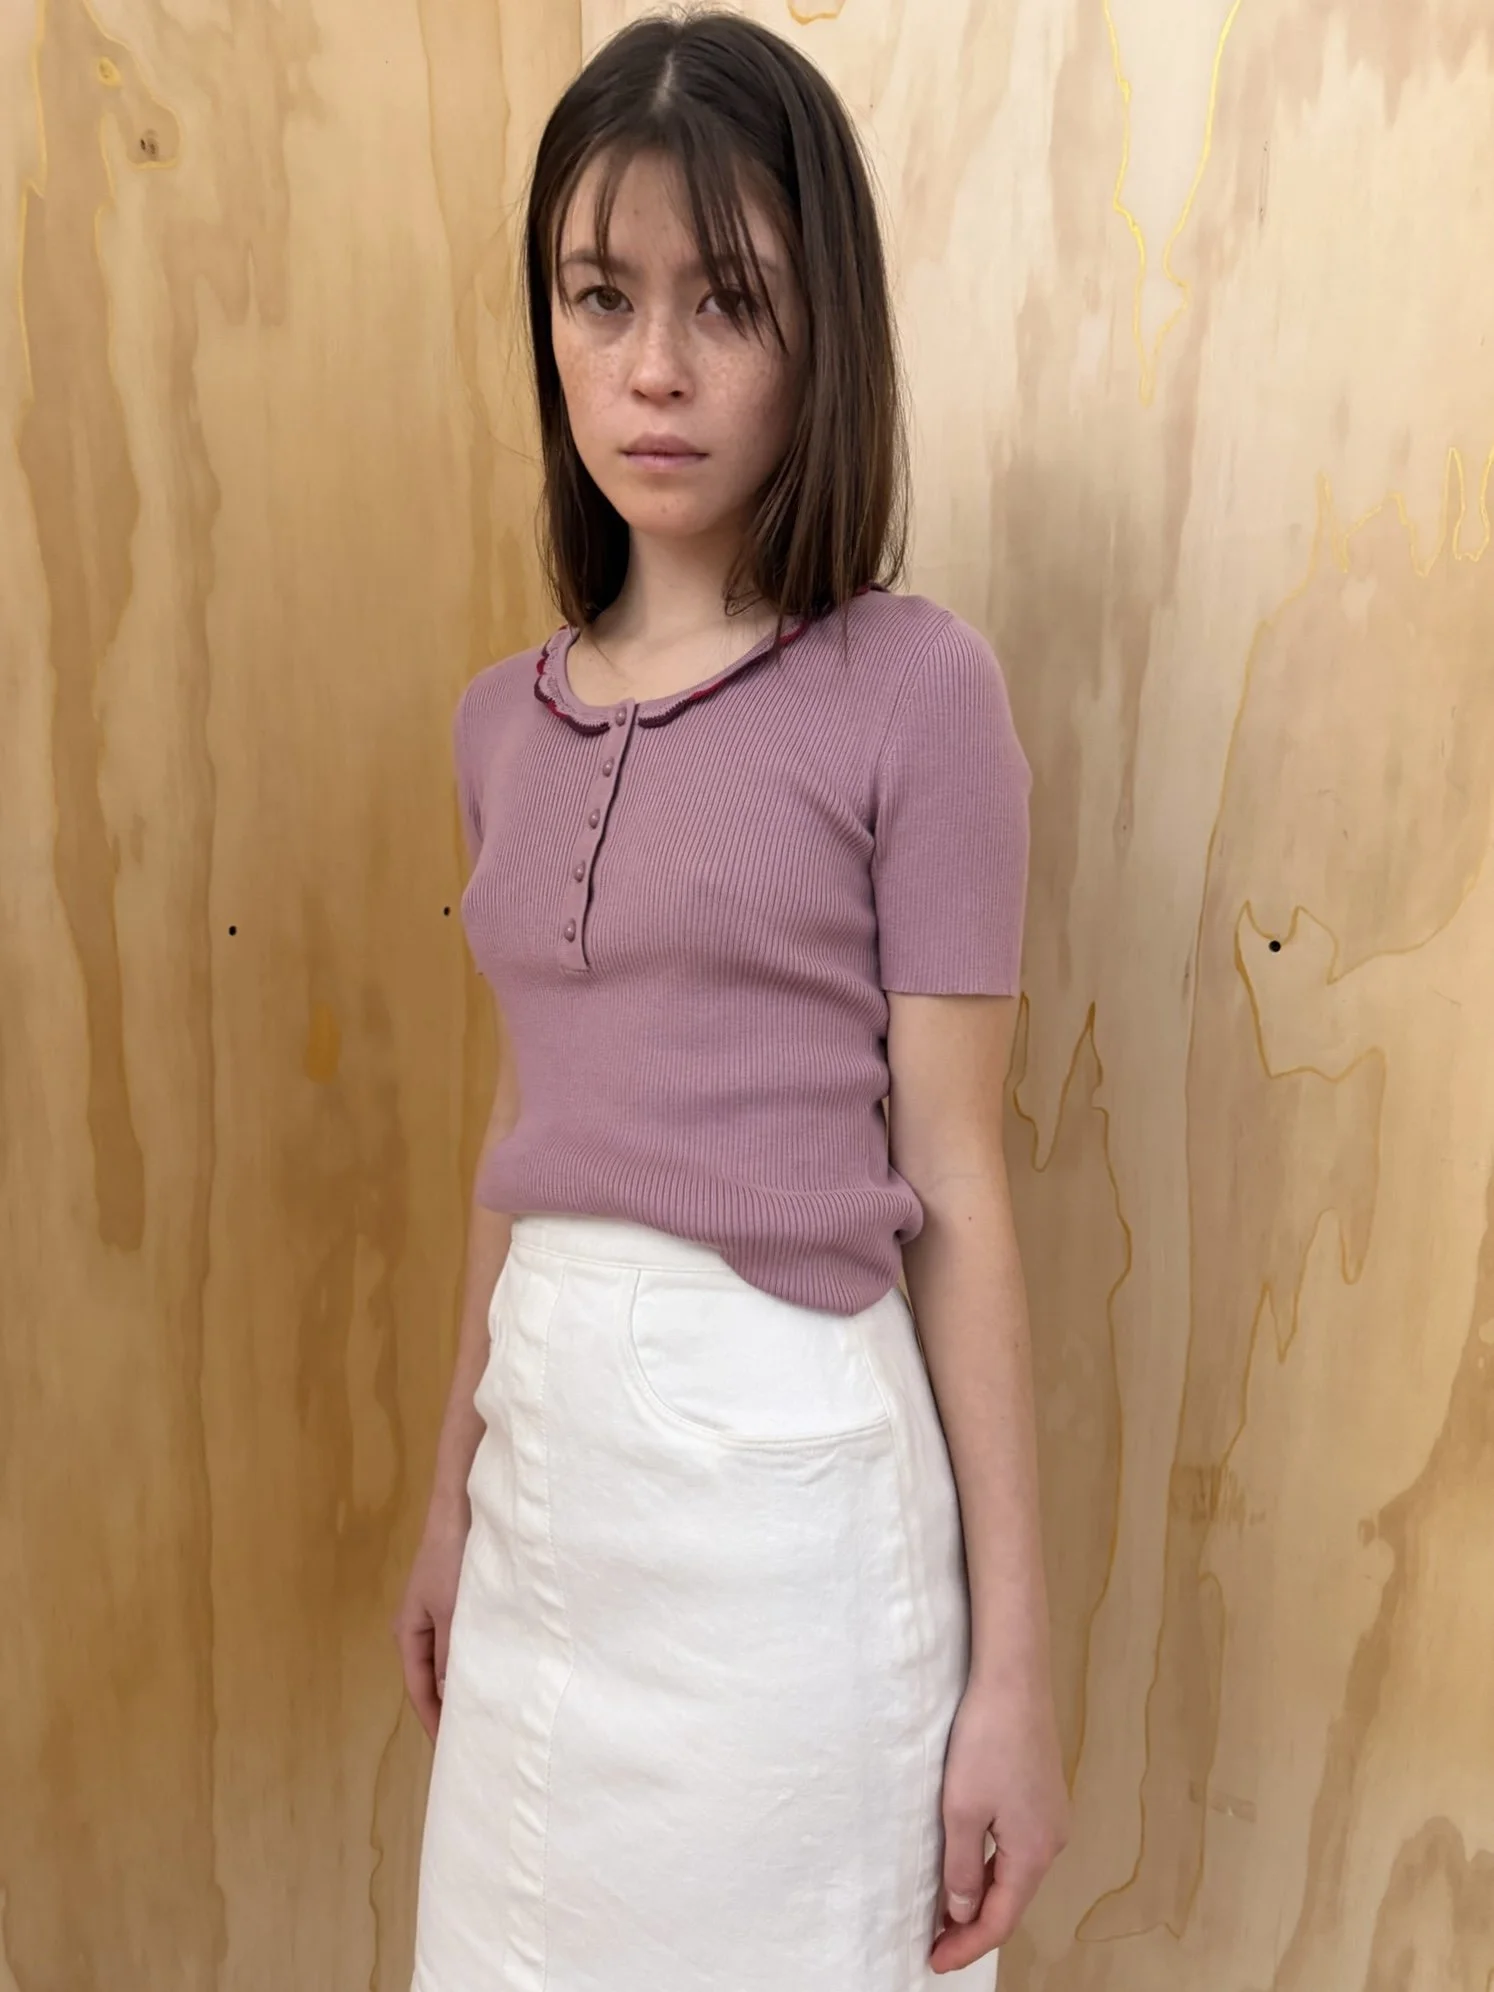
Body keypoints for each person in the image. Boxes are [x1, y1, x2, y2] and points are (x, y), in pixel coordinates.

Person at [393, 10, 1067, 1988]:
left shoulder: (916, 692)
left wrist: (1013, 1673)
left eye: (730, 300)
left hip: (788, 1527)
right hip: (542, 1492)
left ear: (821, 327)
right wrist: (449, 1500)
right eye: (599, 296)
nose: (654, 366)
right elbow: (524, 1138)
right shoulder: (495, 727)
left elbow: (957, 1180)